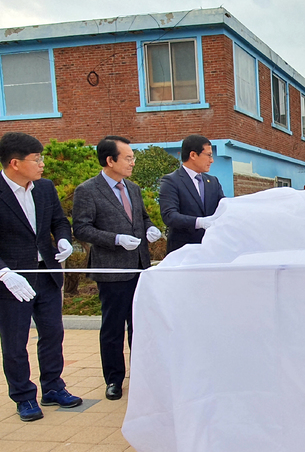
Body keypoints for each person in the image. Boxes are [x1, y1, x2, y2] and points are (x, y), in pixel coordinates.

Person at [0, 132, 82, 421]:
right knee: (14, 342)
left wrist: (63, 240)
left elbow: (60, 220)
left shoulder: (44, 188)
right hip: (12, 281)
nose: (42, 164)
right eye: (36, 159)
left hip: (46, 275)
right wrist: (4, 273)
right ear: (15, 163)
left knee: (52, 334)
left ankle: (52, 387)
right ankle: (23, 397)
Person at [72, 135, 161, 401]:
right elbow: (82, 228)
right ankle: (113, 379)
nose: (133, 162)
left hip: (140, 267)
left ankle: (143, 375)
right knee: (113, 328)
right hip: (111, 270)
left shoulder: (132, 188)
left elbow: (142, 217)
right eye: (128, 158)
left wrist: (150, 228)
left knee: (140, 326)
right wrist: (115, 239)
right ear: (110, 160)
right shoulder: (87, 190)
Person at [159, 135, 225, 254]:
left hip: (211, 249)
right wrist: (199, 222)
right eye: (209, 155)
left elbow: (224, 207)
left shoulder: (213, 181)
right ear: (193, 155)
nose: (212, 160)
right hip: (183, 251)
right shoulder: (171, 181)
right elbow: (170, 216)